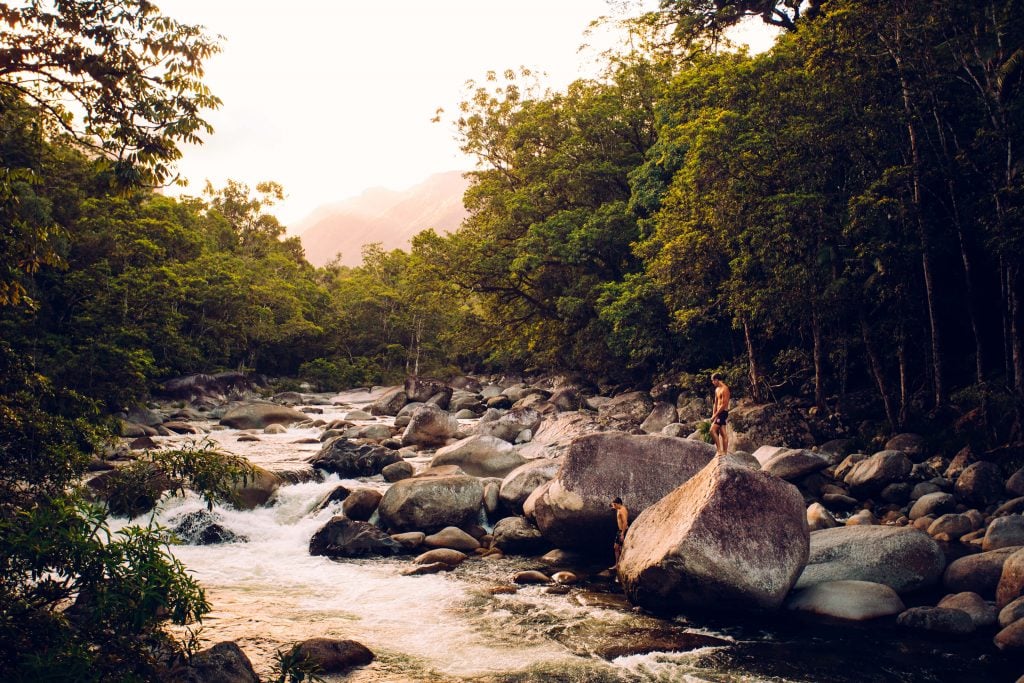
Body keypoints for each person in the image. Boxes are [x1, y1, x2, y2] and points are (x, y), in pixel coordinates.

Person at [710, 373, 731, 455]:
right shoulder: (717, 389)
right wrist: (713, 414)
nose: (712, 382)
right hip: (718, 413)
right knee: (723, 433)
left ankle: (719, 450)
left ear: (717, 380)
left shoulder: (725, 389)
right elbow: (715, 403)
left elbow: (724, 405)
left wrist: (715, 415)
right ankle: (725, 453)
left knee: (712, 430)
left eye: (713, 381)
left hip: (723, 413)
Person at [610, 497, 629, 570]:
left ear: (619, 504)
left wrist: (622, 534)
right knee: (616, 547)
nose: (614, 506)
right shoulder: (619, 508)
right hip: (620, 531)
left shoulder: (622, 511)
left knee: (619, 548)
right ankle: (617, 564)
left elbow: (625, 522)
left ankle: (618, 564)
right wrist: (613, 507)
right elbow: (613, 505)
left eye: (615, 505)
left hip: (622, 531)